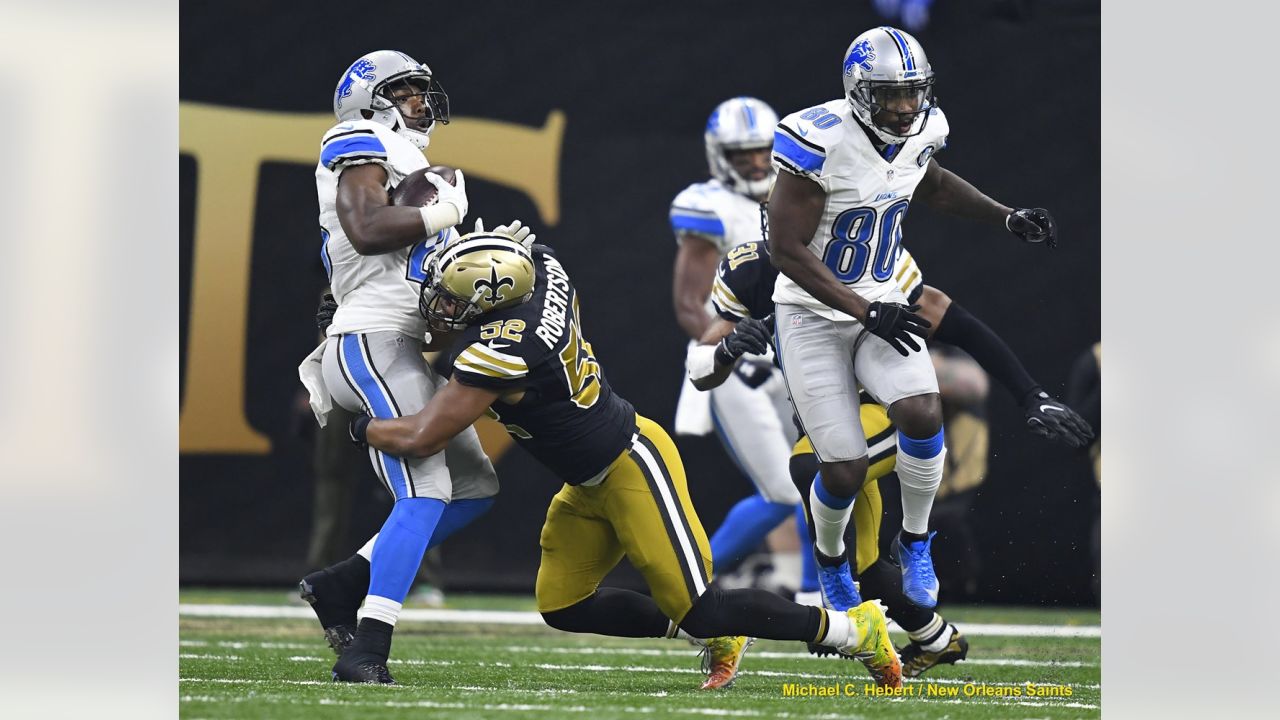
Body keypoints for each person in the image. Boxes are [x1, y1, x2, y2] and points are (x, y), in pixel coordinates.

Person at [348, 229, 903, 689]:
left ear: (495, 301)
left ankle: (852, 632)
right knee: (562, 604)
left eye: (453, 298)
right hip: (586, 480)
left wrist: (358, 424)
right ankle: (717, 634)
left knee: (704, 606)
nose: (442, 307)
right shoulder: (541, 269)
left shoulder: (503, 350)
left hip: (630, 464)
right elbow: (529, 248)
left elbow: (421, 437)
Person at [766, 25, 1076, 614]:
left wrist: (1004, 216)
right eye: (892, 94)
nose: (907, 106)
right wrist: (864, 309)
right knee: (845, 468)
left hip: (882, 300)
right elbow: (786, 249)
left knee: (921, 407)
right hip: (811, 314)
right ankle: (832, 563)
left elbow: (927, 181)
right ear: (860, 92)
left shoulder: (923, 129)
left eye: (914, 92)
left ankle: (914, 540)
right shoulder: (818, 141)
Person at [296, 50, 500, 684]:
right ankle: (368, 647)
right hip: (369, 338)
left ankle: (341, 583)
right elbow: (364, 228)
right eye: (404, 89)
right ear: (370, 99)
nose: (420, 99)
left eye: (422, 89)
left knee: (473, 490)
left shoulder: (409, 161)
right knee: (426, 489)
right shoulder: (355, 138)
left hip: (402, 339)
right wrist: (442, 214)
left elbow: (428, 295)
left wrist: (477, 276)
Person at [669, 97, 811, 589]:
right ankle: (689, 581)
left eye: (761, 150)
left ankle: (823, 597)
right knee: (784, 492)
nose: (753, 162)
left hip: (798, 352)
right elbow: (691, 304)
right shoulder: (708, 207)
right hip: (739, 360)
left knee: (823, 478)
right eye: (740, 153)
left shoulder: (800, 190)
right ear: (717, 155)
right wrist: (729, 349)